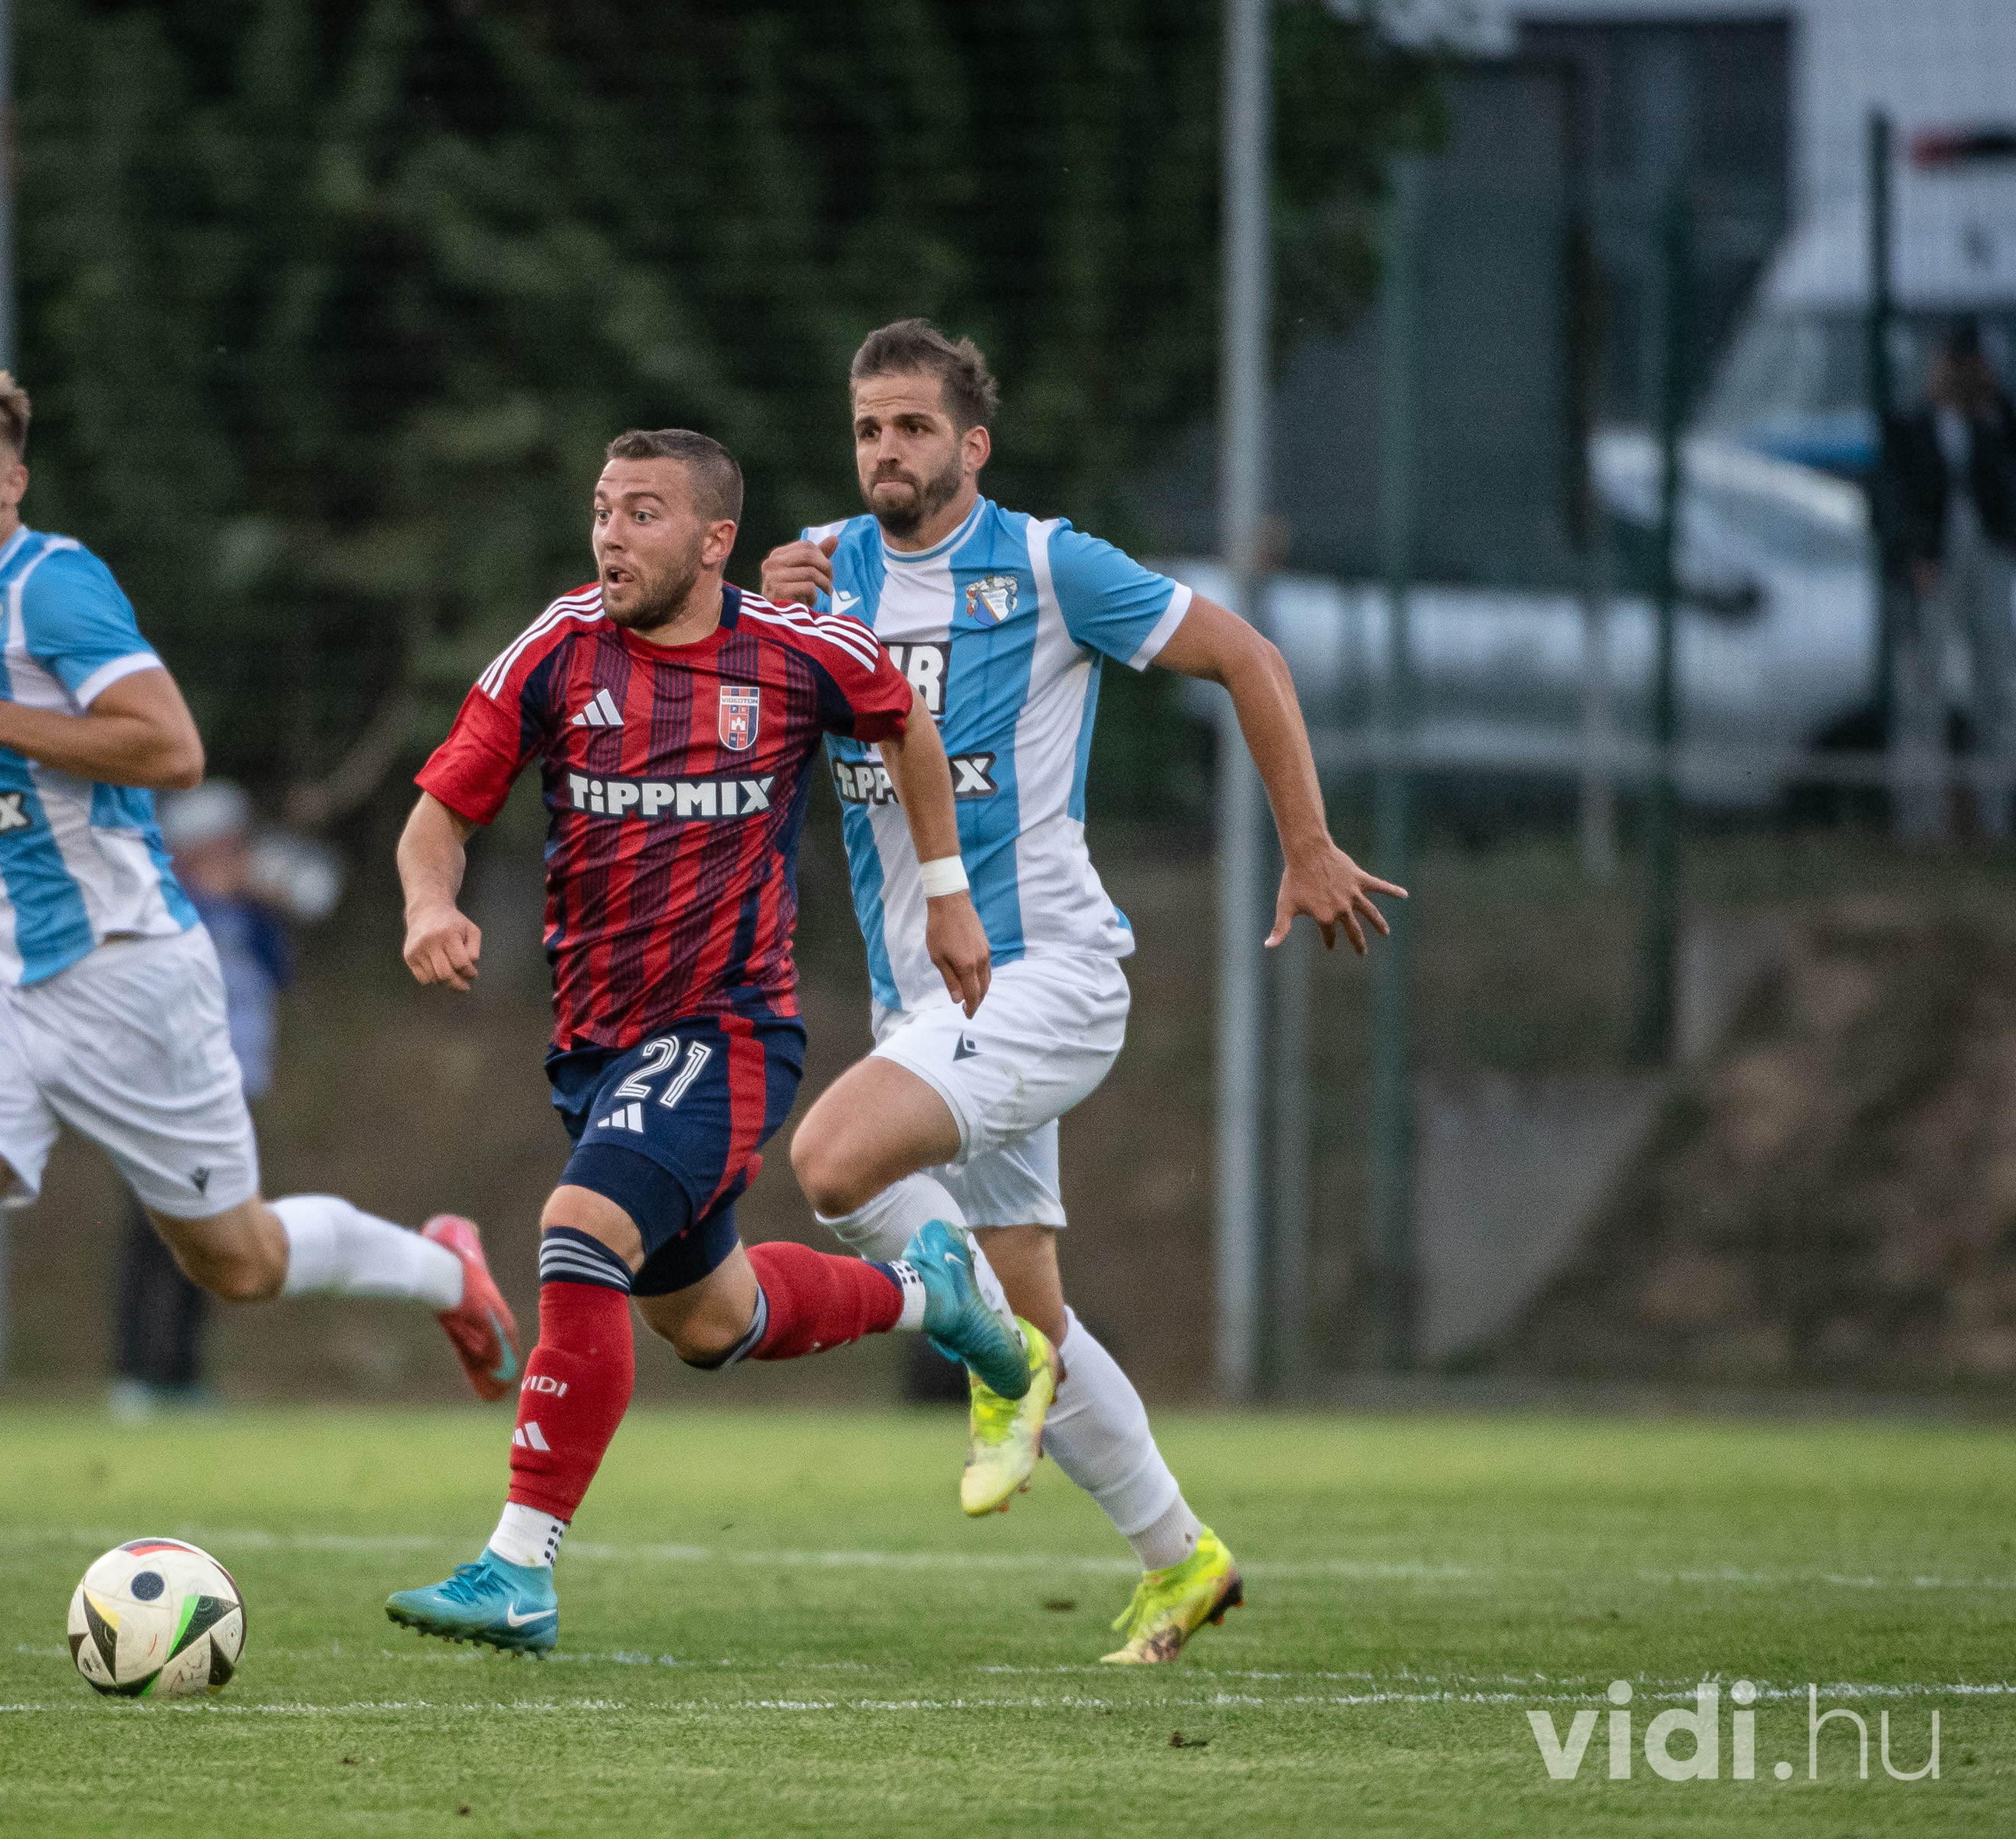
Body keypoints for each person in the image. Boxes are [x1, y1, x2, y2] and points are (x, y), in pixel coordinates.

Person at [0, 363, 522, 1606]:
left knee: (237, 1260)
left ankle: (446, 1269)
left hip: (128, 982)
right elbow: (40, 785)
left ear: (11, 484)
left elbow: (170, 749)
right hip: (1, 982)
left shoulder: (52, 584)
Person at [762, 320, 1401, 1664]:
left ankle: (988, 1359)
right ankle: (1183, 1559)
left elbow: (1249, 656)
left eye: (915, 427)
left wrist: (1306, 843)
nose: (888, 450)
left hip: (1045, 975)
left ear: (973, 446)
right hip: (925, 1004)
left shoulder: (1051, 566)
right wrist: (768, 619)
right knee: (1032, 1304)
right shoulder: (820, 573)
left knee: (831, 1161)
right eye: (870, 428)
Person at [381, 428, 1041, 1653]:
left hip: (727, 1028)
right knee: (708, 1323)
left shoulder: (794, 651)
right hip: (596, 1047)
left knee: (580, 1232)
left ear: (713, 540)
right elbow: (438, 817)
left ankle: (517, 1570)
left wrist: (947, 893)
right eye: (603, 509)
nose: (611, 536)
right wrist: (430, 905)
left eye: (644, 513)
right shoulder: (558, 647)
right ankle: (929, 1295)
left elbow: (905, 724)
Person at [110, 782, 295, 1418]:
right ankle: (133, 1374)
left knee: (216, 1232)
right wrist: (208, 898)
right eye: (225, 845)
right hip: (164, 1094)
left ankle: (182, 1373)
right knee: (151, 1232)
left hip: (234, 1090)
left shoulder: (250, 913)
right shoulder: (164, 906)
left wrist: (263, 908)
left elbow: (280, 973)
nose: (237, 856)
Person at [1885, 320, 2016, 841]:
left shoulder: (1994, 423)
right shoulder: (1910, 427)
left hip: (1987, 555)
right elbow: (1892, 500)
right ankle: (1921, 819)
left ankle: (1997, 816)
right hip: (1934, 561)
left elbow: (2003, 487)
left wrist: (1990, 406)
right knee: (1925, 690)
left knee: (1996, 685)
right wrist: (1916, 553)